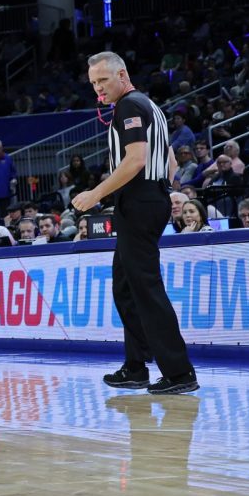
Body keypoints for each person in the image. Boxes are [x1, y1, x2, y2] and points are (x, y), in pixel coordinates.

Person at [74, 52, 197, 395]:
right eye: (93, 83)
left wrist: (95, 193)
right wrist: (165, 187)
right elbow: (169, 156)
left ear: (122, 75)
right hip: (149, 198)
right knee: (126, 285)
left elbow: (136, 159)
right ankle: (135, 366)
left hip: (139, 200)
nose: (97, 88)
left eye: (103, 80)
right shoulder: (150, 106)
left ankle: (179, 371)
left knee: (144, 288)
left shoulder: (129, 106)